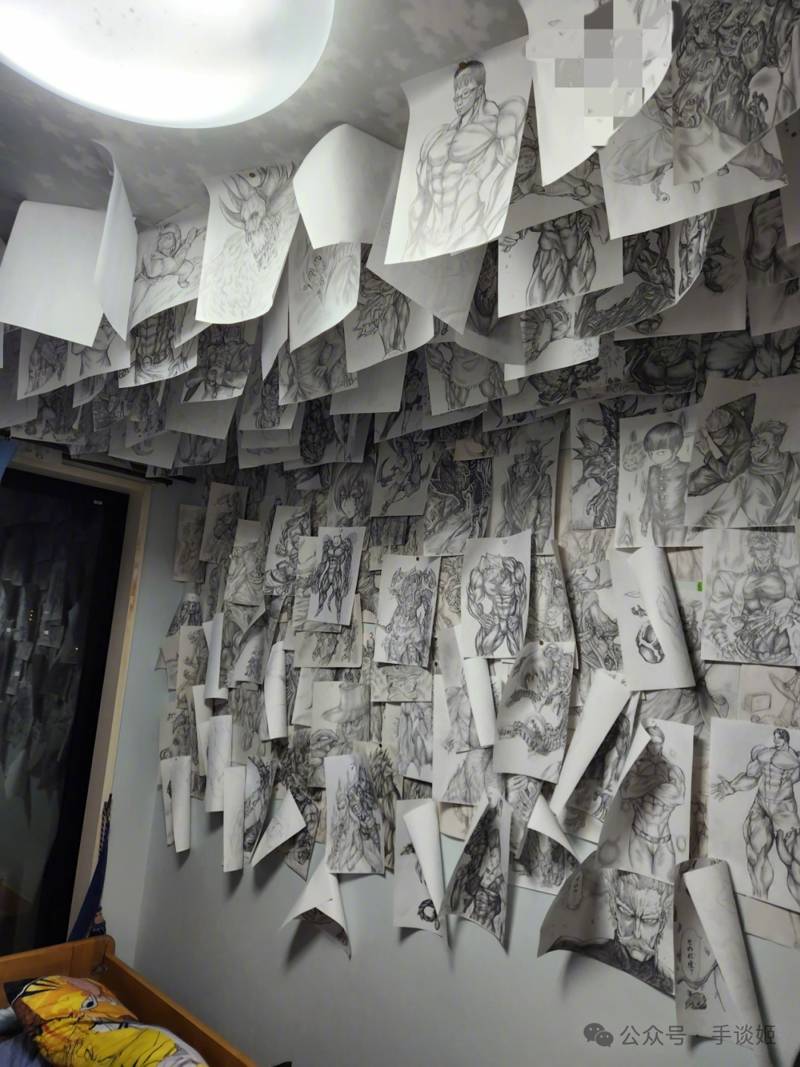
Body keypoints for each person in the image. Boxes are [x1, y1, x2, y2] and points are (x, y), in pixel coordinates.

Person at [405, 59, 526, 257]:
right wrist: (411, 242)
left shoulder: (498, 122)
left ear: (479, 91)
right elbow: (422, 196)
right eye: (456, 97)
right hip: (430, 238)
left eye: (465, 94)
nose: (459, 101)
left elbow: (509, 156)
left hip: (468, 233)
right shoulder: (438, 136)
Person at [712, 727, 800, 905]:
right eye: (774, 737)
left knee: (793, 859)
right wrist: (732, 787)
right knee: (755, 855)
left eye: (779, 738)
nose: (776, 741)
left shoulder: (795, 759)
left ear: (786, 739)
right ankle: (760, 901)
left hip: (783, 807)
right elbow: (751, 778)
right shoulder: (763, 754)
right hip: (761, 804)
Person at [700, 420, 800, 527]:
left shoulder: (796, 462)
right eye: (756, 440)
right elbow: (717, 517)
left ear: (776, 442)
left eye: (763, 441)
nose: (756, 444)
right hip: (761, 536)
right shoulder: (745, 479)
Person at [621, 724, 686, 879]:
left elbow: (678, 796)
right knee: (641, 885)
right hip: (639, 839)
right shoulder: (635, 767)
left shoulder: (673, 770)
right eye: (650, 742)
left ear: (662, 743)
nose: (654, 746)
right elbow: (626, 792)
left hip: (664, 842)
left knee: (666, 886)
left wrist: (643, 785)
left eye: (657, 743)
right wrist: (658, 780)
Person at [639, 421, 689, 543]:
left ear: (675, 449)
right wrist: (644, 520)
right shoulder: (652, 470)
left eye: (661, 452)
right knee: (659, 548)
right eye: (651, 453)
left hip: (678, 522)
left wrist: (694, 524)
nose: (654, 457)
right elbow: (649, 497)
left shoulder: (685, 468)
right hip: (657, 523)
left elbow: (694, 497)